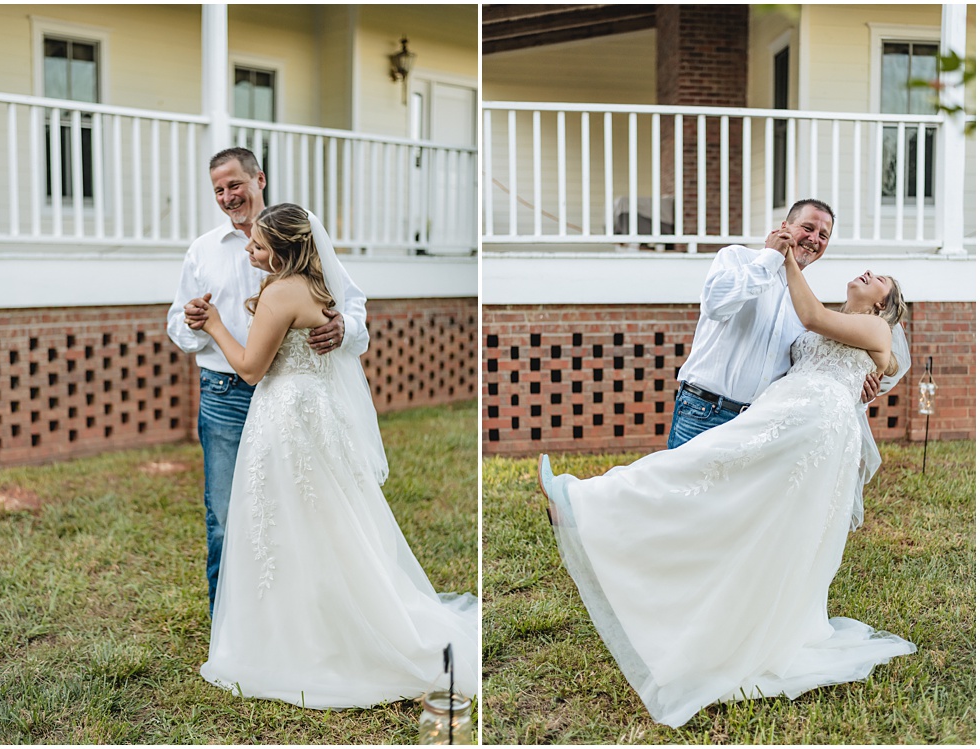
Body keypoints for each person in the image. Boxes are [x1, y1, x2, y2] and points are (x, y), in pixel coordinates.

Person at [537, 237, 916, 728]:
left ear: (884, 303)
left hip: (813, 423)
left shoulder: (871, 327)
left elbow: (811, 321)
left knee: (709, 470)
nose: (868, 274)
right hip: (787, 411)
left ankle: (587, 500)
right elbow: (803, 346)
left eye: (879, 278)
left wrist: (784, 256)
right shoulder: (839, 317)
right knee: (736, 501)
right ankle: (637, 544)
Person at [193, 203, 478, 707]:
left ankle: (306, 642)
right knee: (325, 523)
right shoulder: (318, 285)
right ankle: (327, 622)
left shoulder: (281, 293)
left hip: (285, 418)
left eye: (258, 245)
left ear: (280, 250)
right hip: (315, 415)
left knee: (288, 523)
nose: (250, 250)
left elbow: (251, 368)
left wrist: (214, 324)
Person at [166, 147, 368, 615]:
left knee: (300, 511)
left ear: (260, 179)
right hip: (225, 395)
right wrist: (195, 320)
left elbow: (350, 300)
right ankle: (230, 622)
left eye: (234, 184)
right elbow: (176, 323)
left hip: (290, 400)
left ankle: (290, 618)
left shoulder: (300, 232)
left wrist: (344, 329)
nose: (226, 196)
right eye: (217, 189)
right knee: (226, 517)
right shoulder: (202, 251)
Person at [669, 198, 910, 529]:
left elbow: (806, 360)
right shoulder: (737, 258)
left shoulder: (806, 306)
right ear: (785, 227)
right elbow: (715, 304)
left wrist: (856, 390)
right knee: (676, 506)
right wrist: (771, 258)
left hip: (762, 426)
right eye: (807, 228)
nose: (814, 239)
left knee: (734, 524)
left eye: (823, 235)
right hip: (703, 409)